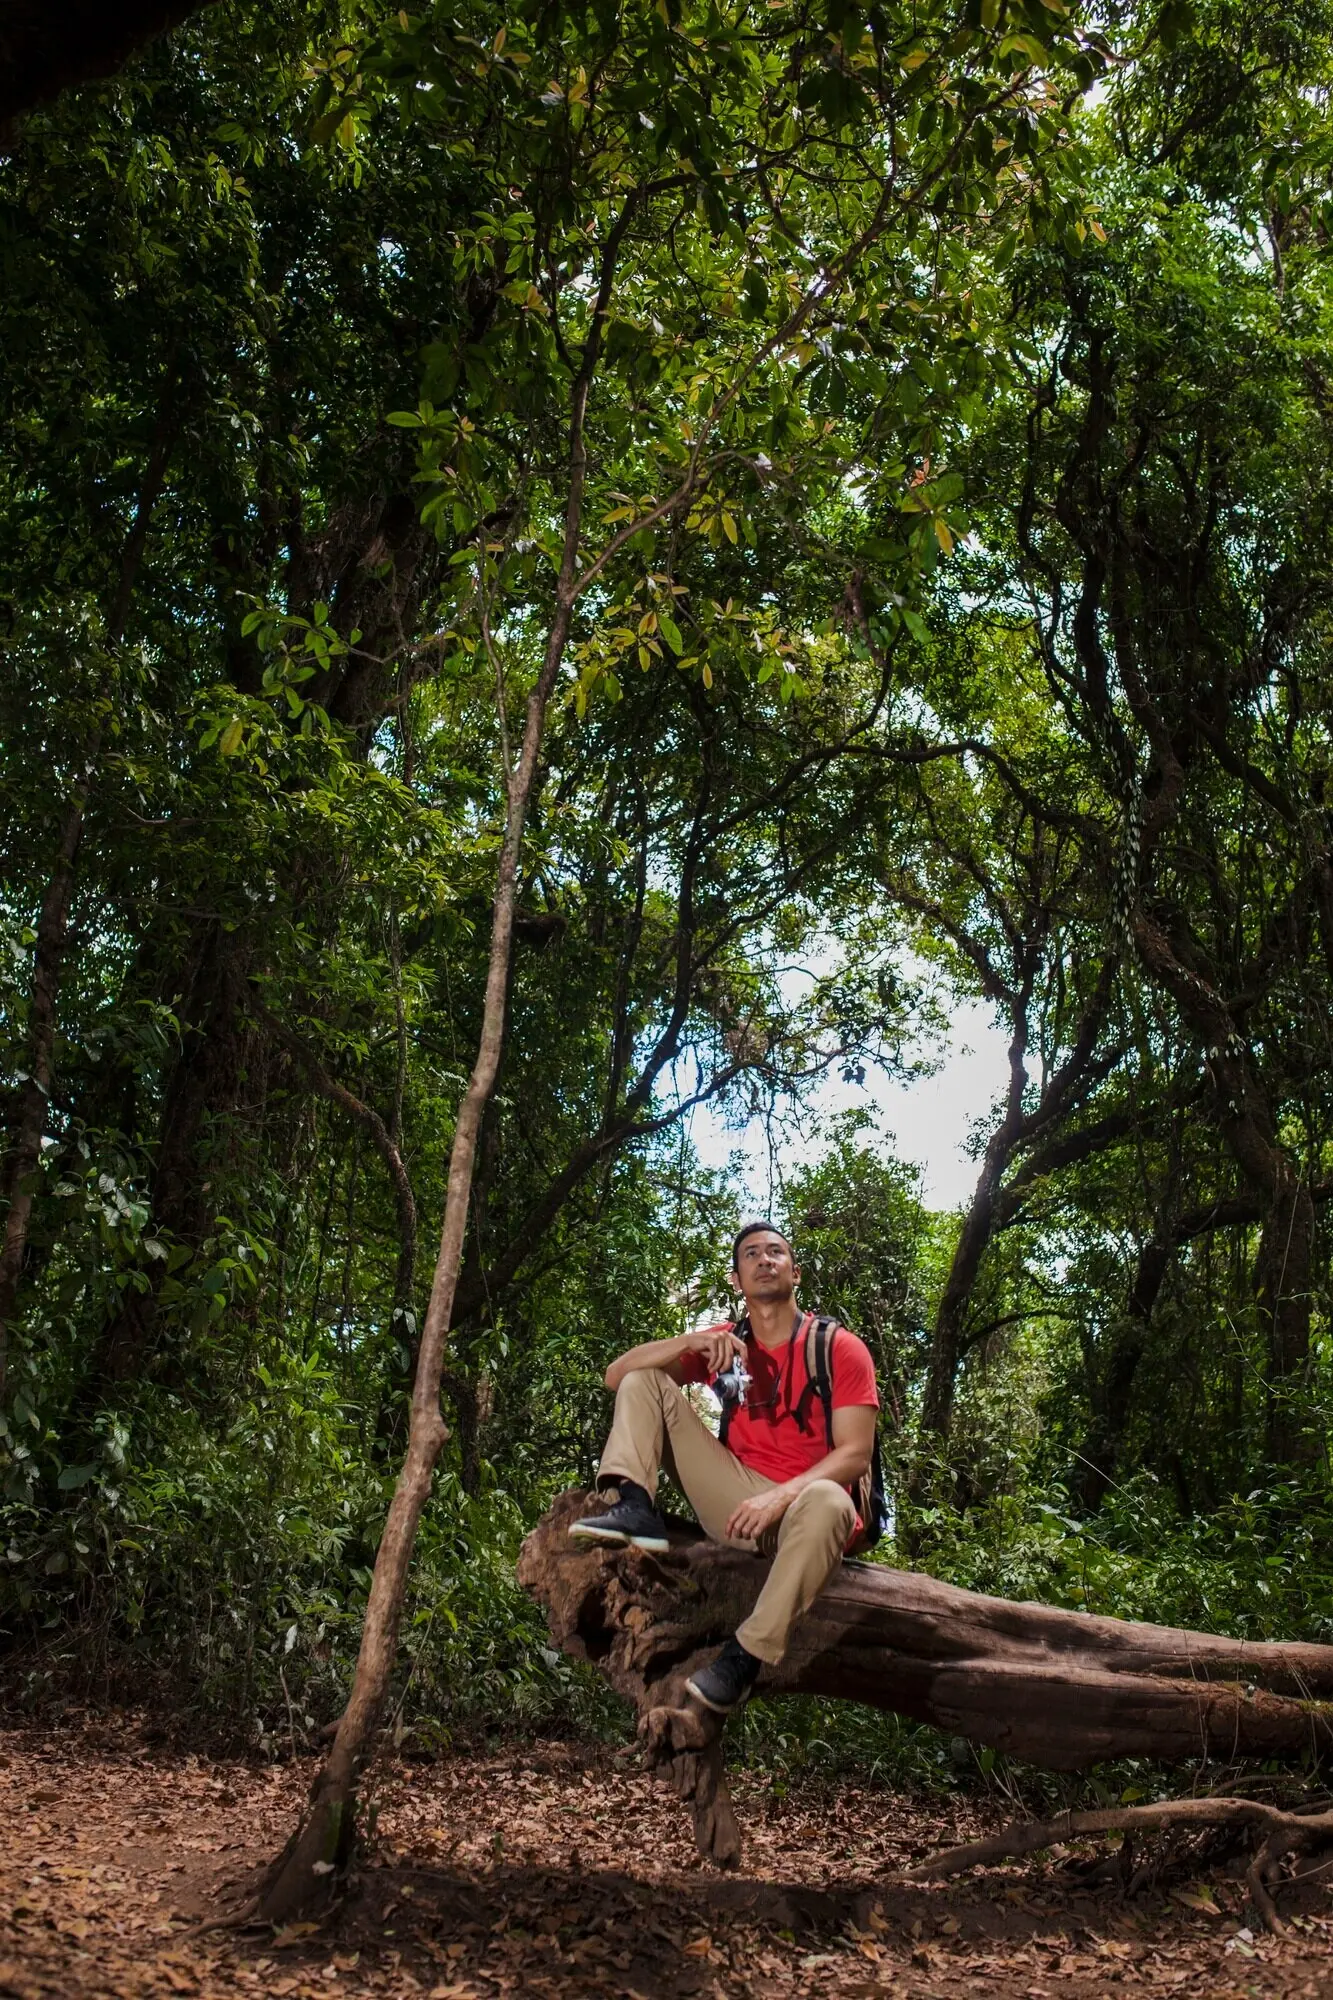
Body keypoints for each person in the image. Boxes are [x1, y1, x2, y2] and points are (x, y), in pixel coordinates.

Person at [569, 1220, 879, 1714]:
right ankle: (635, 1507)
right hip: (735, 1502)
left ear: (795, 1272)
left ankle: (745, 1658)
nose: (764, 1259)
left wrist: (778, 1497)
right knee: (644, 1380)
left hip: (807, 1509)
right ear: (737, 1279)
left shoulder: (838, 1347)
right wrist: (690, 1343)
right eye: (751, 1254)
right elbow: (616, 1376)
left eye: (775, 1252)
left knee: (826, 1500)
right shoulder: (724, 1343)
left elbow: (855, 1454)